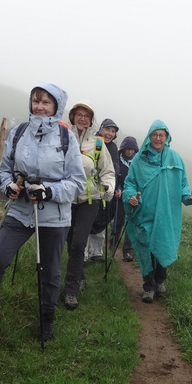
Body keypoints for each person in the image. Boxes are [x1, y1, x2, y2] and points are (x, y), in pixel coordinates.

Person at [0, 84, 85, 341]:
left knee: (49, 271)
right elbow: (3, 170)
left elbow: (77, 182)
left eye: (46, 102)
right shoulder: (18, 133)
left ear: (56, 107)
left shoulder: (66, 138)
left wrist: (49, 191)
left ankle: (47, 320)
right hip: (20, 210)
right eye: (36, 101)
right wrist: (8, 186)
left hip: (55, 217)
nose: (39, 107)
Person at [123, 120, 192, 303]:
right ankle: (148, 286)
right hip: (144, 212)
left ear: (167, 137)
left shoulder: (175, 159)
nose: (158, 138)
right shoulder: (139, 159)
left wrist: (188, 198)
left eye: (161, 135)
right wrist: (130, 196)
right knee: (145, 248)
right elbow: (130, 183)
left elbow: (183, 185)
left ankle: (160, 280)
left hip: (166, 214)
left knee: (162, 245)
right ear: (149, 136)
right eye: (155, 135)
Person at [63, 101, 115, 310]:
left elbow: (108, 171)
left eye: (87, 116)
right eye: (79, 114)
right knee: (70, 242)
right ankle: (80, 275)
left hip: (90, 199)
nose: (82, 118)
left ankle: (71, 291)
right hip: (66, 198)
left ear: (91, 120)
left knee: (78, 243)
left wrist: (108, 188)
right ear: (73, 117)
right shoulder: (63, 137)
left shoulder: (98, 144)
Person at [86, 118, 121, 262]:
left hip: (107, 191)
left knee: (102, 220)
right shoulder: (92, 143)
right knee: (87, 221)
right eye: (107, 129)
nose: (110, 134)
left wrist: (117, 187)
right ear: (101, 129)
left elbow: (115, 170)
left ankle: (96, 253)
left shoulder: (113, 148)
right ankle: (83, 255)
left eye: (113, 131)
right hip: (90, 190)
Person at [116, 135, 139, 261]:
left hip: (133, 197)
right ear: (123, 148)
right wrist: (117, 188)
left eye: (132, 149)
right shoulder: (117, 159)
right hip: (119, 196)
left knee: (130, 223)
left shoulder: (138, 162)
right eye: (127, 149)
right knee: (118, 221)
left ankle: (127, 251)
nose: (129, 151)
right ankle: (113, 244)